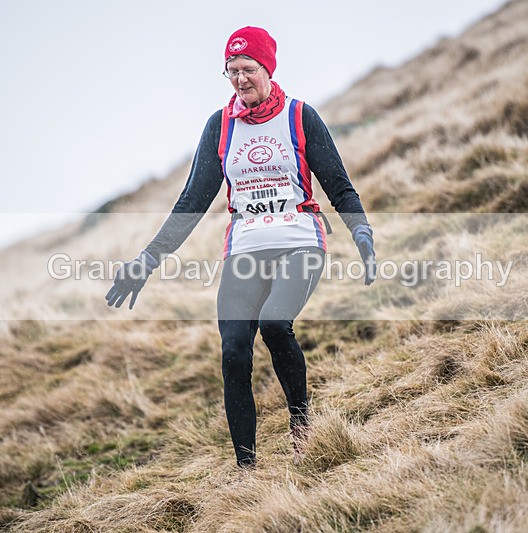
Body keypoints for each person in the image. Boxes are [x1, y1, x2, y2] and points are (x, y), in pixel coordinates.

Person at [105, 26, 376, 468]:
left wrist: (361, 233)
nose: (239, 79)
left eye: (247, 69)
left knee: (274, 323)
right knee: (233, 351)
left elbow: (340, 188)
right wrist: (147, 259)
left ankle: (303, 430)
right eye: (231, 71)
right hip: (244, 251)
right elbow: (192, 202)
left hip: (299, 244)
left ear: (267, 67)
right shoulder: (220, 126)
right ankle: (246, 470)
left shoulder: (299, 116)